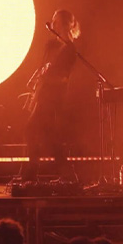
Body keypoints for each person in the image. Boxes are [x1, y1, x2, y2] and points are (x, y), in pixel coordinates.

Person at [22, 10, 81, 182]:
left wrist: (47, 77)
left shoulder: (70, 50)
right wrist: (35, 80)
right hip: (43, 93)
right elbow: (43, 65)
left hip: (55, 97)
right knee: (49, 136)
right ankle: (68, 174)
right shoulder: (51, 45)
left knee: (31, 130)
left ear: (62, 24)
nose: (52, 23)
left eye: (55, 20)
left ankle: (31, 173)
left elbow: (63, 77)